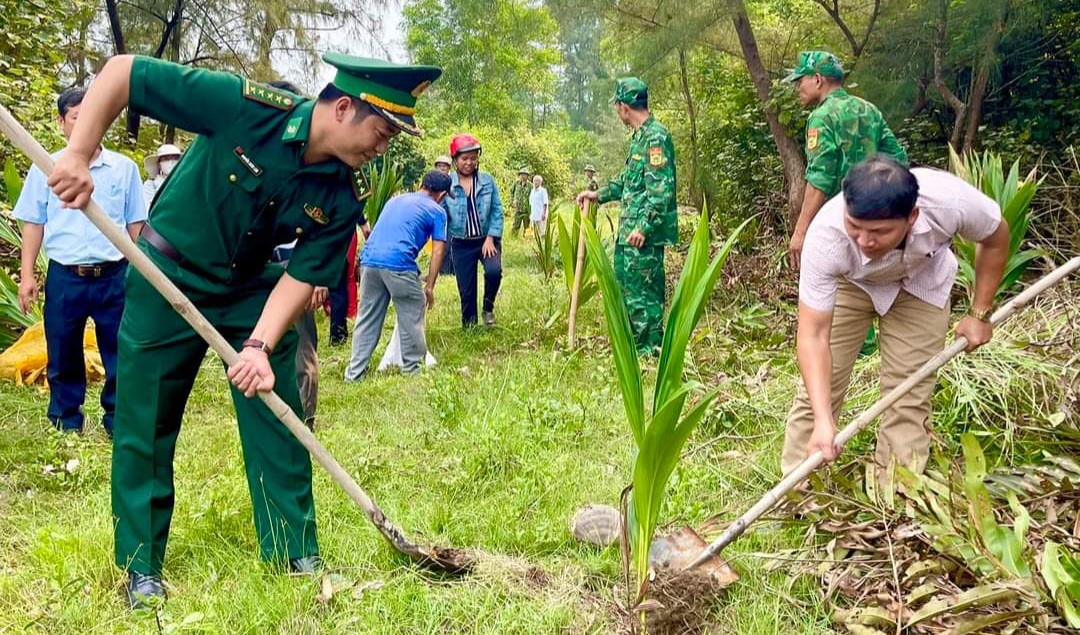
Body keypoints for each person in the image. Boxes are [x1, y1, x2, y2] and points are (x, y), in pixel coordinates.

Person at [45, 52, 440, 609]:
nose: (382, 147)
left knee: (277, 409)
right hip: (167, 274)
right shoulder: (246, 107)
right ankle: (141, 565)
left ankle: (292, 550)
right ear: (344, 107)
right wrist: (80, 153)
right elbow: (124, 73)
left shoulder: (340, 195)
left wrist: (258, 345)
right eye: (380, 132)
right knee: (145, 420)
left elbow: (303, 274)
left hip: (250, 289)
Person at [783, 156, 1009, 478]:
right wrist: (824, 419)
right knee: (818, 391)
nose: (864, 241)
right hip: (853, 283)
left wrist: (980, 312)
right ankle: (800, 492)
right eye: (855, 227)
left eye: (879, 232)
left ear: (912, 216)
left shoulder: (950, 202)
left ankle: (896, 492)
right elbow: (813, 336)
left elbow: (996, 236)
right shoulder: (826, 236)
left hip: (922, 282)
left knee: (909, 394)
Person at [13, 86, 147, 436]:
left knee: (120, 350)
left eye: (92, 116)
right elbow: (33, 223)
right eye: (76, 117)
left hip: (114, 275)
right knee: (63, 348)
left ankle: (119, 421)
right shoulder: (46, 166)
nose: (86, 123)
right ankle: (65, 420)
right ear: (62, 122)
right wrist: (27, 276)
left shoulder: (123, 169)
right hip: (65, 276)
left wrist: (149, 273)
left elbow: (136, 226)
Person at [576, 77, 676, 356]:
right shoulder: (640, 138)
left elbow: (661, 192)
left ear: (623, 107)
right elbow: (628, 183)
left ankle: (650, 351)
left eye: (616, 106)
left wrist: (644, 227)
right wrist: (599, 194)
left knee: (645, 294)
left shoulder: (656, 137)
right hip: (630, 231)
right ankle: (636, 347)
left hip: (642, 235)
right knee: (630, 291)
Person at [783, 51, 908, 270]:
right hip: (878, 217)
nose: (797, 88)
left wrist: (800, 232)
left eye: (800, 80)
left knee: (838, 291)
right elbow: (899, 160)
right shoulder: (868, 109)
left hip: (841, 222)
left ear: (818, 79)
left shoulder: (821, 117)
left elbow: (820, 178)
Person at [345, 170, 449, 381]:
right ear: (442, 195)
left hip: (369, 261)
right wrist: (429, 285)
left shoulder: (395, 200)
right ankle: (412, 370)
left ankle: (354, 374)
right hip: (399, 264)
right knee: (412, 312)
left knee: (367, 318)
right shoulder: (437, 211)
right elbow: (438, 251)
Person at [444, 133, 504, 327]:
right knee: (466, 289)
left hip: (486, 239)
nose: (469, 162)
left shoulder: (487, 181)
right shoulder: (448, 185)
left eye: (473, 158)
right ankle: (469, 326)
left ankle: (488, 308)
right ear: (455, 160)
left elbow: (496, 210)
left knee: (494, 271)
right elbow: (440, 213)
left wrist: (491, 237)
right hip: (461, 243)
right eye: (464, 158)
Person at [509, 166, 531, 237]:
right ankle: (513, 238)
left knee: (527, 226)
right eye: (521, 174)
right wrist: (512, 201)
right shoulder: (516, 183)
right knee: (516, 225)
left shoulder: (530, 186)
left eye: (524, 174)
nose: (522, 176)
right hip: (518, 208)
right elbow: (511, 192)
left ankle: (526, 240)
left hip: (526, 210)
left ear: (527, 176)